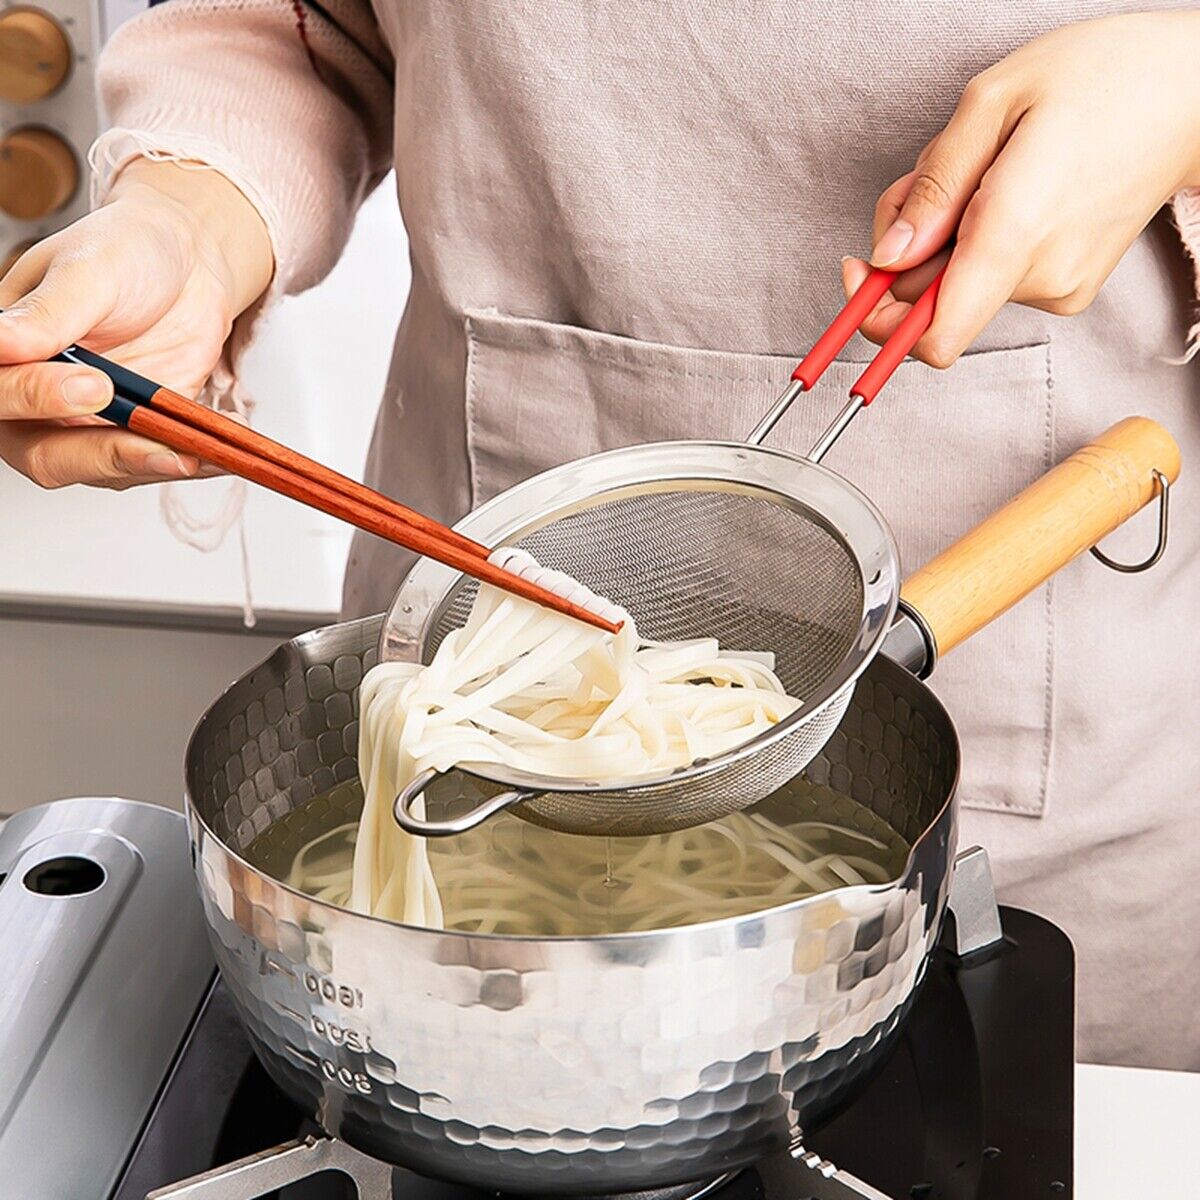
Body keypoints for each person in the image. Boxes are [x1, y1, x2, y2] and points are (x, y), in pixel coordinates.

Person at [1, 3, 1197, 1067]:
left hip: (1061, 756)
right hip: (485, 580)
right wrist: (190, 224)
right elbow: (309, 23)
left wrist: (1179, 86)